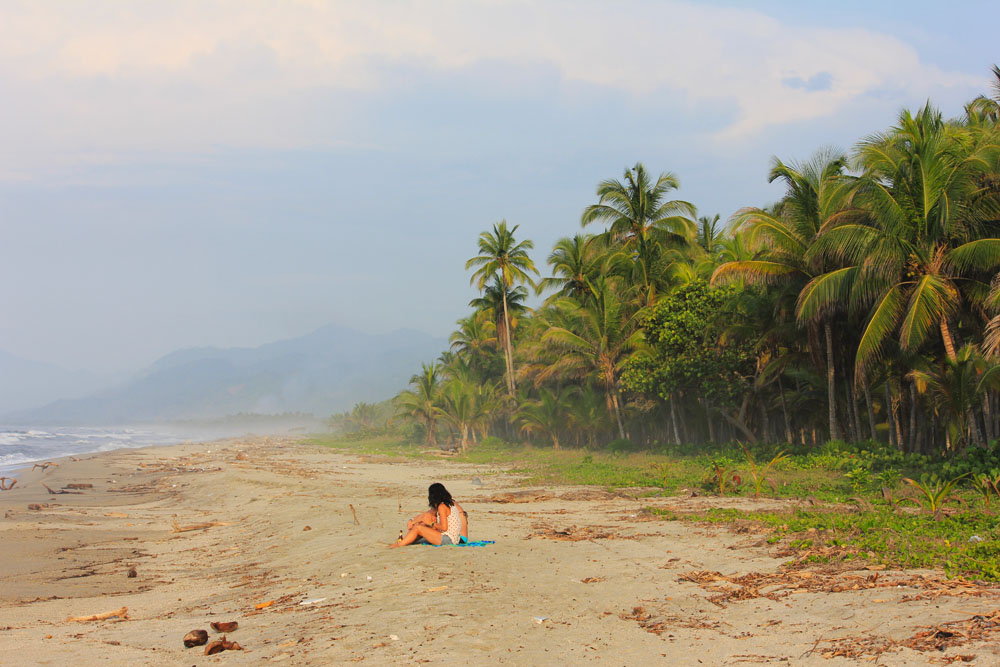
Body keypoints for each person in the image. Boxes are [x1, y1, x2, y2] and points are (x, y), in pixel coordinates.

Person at [390, 482, 468, 547]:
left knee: (418, 528)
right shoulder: (449, 504)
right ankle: (405, 541)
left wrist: (431, 523)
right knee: (421, 527)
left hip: (449, 539)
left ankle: (399, 545)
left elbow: (444, 527)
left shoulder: (442, 506)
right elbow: (428, 514)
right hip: (453, 538)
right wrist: (415, 521)